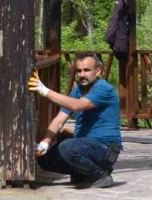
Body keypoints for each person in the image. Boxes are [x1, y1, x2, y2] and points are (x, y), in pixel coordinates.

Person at [27, 53, 122, 188]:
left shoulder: (103, 88)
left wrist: (44, 91)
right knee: (44, 159)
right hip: (85, 146)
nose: (82, 74)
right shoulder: (77, 91)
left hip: (104, 148)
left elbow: (77, 105)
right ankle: (82, 173)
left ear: (98, 71)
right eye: (79, 71)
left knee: (67, 146)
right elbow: (59, 120)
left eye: (86, 70)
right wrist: (45, 142)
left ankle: (101, 174)